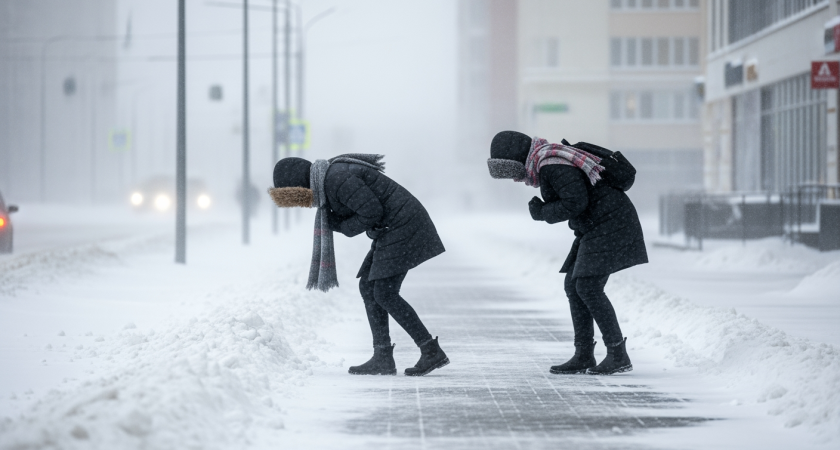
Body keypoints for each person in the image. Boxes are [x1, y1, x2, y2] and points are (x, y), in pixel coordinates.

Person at [268, 154, 449, 377]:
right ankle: (382, 355)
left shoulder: (337, 179)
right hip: (394, 227)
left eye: (299, 196)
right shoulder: (330, 178)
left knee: (384, 292)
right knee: (369, 287)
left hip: (404, 225)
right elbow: (371, 209)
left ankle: (429, 349)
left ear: (301, 185)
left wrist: (343, 226)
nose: (304, 202)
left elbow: (372, 211)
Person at [486, 131, 648, 375]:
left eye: (511, 172)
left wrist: (543, 212)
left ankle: (617, 354)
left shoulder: (551, 164)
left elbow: (576, 203)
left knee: (587, 286)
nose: (514, 179)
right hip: (597, 224)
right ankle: (584, 354)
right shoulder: (548, 160)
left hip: (610, 223)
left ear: (518, 160)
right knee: (575, 285)